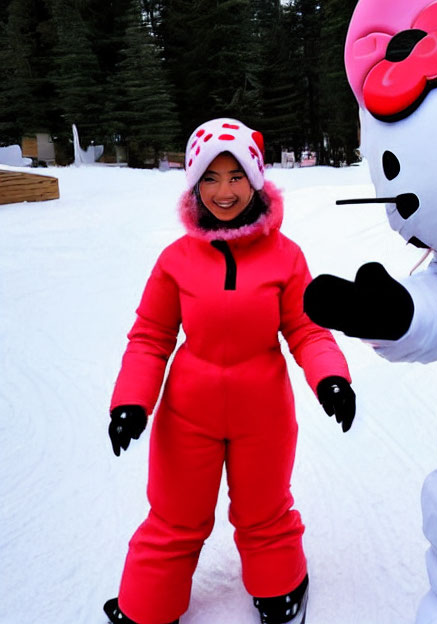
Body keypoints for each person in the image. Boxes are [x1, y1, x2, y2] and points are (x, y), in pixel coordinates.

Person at [104, 118, 355, 624]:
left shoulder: (286, 257)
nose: (224, 191)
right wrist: (131, 401)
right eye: (211, 177)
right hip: (188, 413)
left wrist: (331, 377)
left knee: (264, 512)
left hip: (261, 412)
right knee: (175, 517)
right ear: (195, 184)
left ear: (256, 179)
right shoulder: (176, 260)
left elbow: (308, 330)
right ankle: (147, 609)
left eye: (236, 175)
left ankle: (279, 592)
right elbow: (151, 337)